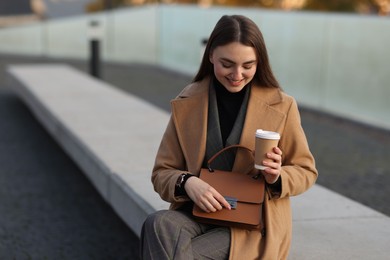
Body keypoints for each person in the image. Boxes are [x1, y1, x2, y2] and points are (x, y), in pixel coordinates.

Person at [140, 14, 318, 260]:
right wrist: (188, 182)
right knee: (158, 224)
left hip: (252, 224)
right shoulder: (188, 102)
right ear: (211, 54)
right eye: (227, 64)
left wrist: (276, 176)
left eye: (248, 66)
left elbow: (306, 170)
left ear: (259, 62)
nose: (237, 74)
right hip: (198, 212)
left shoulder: (282, 106)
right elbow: (162, 172)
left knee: (179, 252)